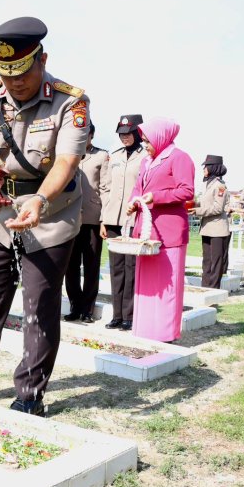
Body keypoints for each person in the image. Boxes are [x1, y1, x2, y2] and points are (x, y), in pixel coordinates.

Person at [0, 16, 90, 417]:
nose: (15, 85)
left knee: (39, 305)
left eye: (23, 75)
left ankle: (30, 392)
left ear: (42, 60)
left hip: (51, 215)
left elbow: (66, 161)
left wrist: (41, 201)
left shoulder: (71, 101)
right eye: (6, 76)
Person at [127, 117, 194, 343]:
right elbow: (139, 187)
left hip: (169, 231)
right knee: (146, 284)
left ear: (161, 138)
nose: (144, 145)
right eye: (143, 141)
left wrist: (157, 197)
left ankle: (165, 333)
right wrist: (133, 202)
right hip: (147, 230)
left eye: (147, 141)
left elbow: (187, 191)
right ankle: (145, 329)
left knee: (167, 285)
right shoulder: (147, 161)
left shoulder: (180, 158)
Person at [99, 114, 147, 331]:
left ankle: (130, 314)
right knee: (116, 269)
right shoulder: (115, 156)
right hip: (113, 220)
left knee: (131, 268)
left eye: (128, 134)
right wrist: (103, 219)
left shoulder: (146, 155)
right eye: (121, 134)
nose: (124, 138)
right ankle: (117, 314)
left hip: (133, 219)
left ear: (137, 132)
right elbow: (107, 188)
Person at [63, 123, 109, 323]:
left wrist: (104, 219)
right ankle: (75, 306)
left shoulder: (101, 156)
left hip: (92, 218)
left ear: (91, 135)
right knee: (70, 266)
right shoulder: (66, 154)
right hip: (70, 218)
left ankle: (88, 309)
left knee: (91, 265)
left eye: (86, 134)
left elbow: (106, 188)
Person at [188, 155, 230, 289]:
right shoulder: (208, 184)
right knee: (206, 260)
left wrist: (198, 211)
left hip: (217, 229)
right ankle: (205, 286)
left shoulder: (220, 186)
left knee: (215, 261)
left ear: (213, 168)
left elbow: (218, 208)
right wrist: (194, 204)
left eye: (206, 166)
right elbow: (206, 202)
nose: (204, 169)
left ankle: (213, 289)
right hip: (207, 227)